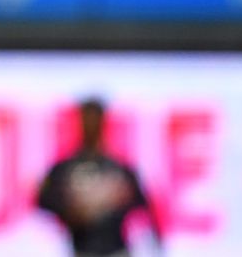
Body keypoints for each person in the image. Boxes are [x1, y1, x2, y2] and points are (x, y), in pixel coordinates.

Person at [38, 98, 160, 257]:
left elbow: (144, 205)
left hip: (116, 248)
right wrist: (68, 212)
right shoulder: (65, 168)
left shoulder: (120, 168)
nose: (91, 124)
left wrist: (156, 242)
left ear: (103, 121)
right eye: (87, 119)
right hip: (82, 248)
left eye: (95, 119)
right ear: (80, 121)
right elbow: (43, 200)